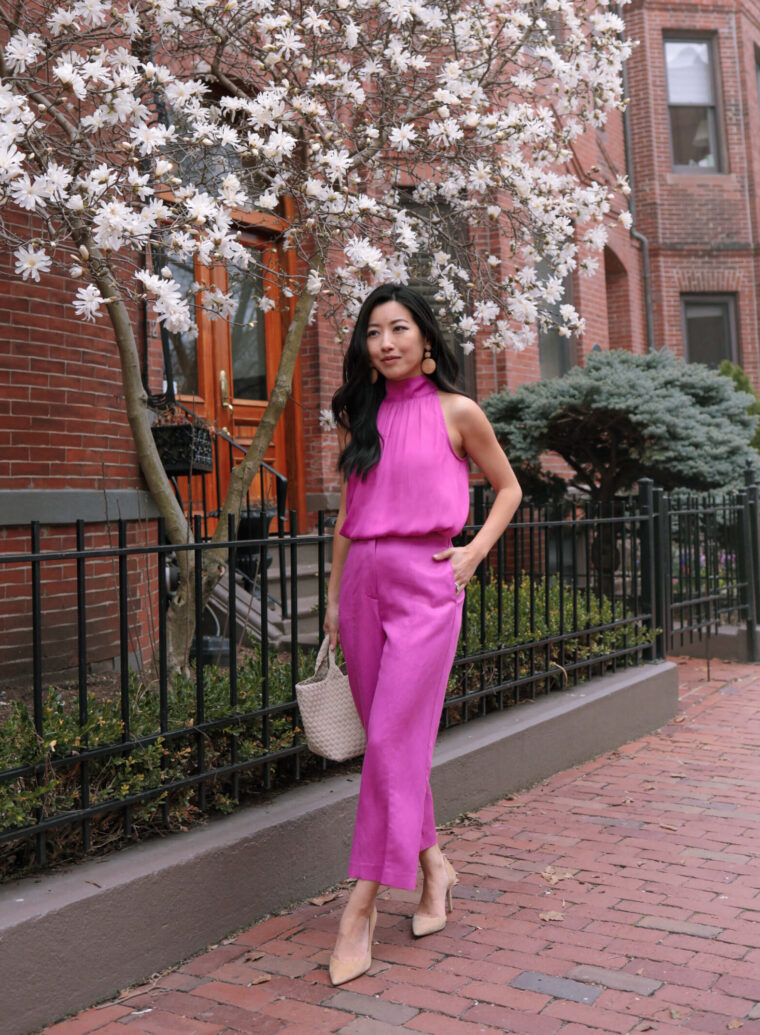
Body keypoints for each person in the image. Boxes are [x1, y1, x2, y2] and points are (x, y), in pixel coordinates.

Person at [324, 283, 523, 985]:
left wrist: (473, 552)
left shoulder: (458, 412)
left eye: (398, 327)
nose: (385, 341)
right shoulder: (363, 419)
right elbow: (350, 515)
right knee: (395, 741)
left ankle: (362, 904)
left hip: (425, 586)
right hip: (361, 589)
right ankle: (435, 865)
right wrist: (331, 600)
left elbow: (508, 488)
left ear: (426, 340)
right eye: (373, 332)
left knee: (388, 741)